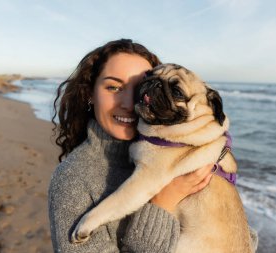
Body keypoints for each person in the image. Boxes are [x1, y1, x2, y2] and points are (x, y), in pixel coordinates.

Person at [49, 39, 214, 253]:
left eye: (140, 89)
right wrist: (162, 204)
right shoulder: (72, 180)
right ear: (90, 93)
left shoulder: (183, 156)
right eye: (114, 87)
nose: (129, 104)